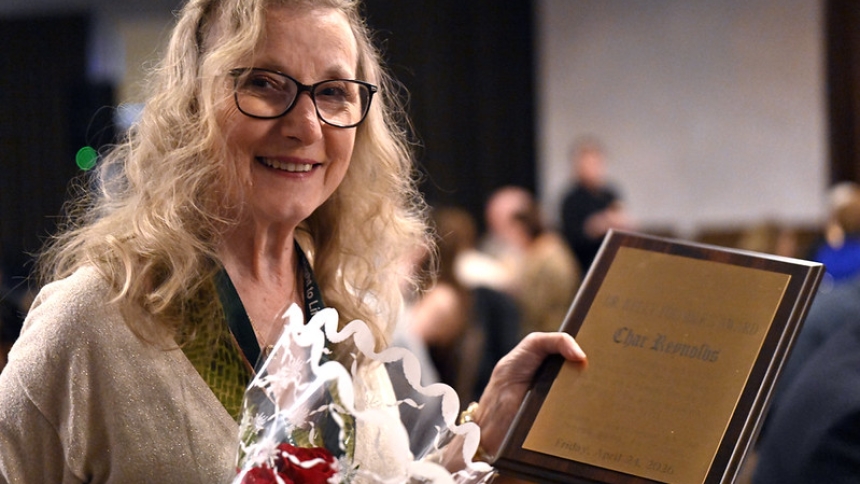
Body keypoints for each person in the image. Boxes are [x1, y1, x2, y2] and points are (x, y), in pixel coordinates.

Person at [0, 0, 586, 482]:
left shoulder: (342, 302)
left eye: (334, 92)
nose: (305, 125)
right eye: (264, 83)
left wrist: (488, 436)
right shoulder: (92, 319)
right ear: (191, 106)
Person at [560, 136, 632, 271]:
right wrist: (596, 226)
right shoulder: (570, 199)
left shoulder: (610, 194)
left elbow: (622, 222)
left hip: (613, 261)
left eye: (596, 163)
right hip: (584, 265)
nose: (593, 168)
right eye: (588, 163)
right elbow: (570, 239)